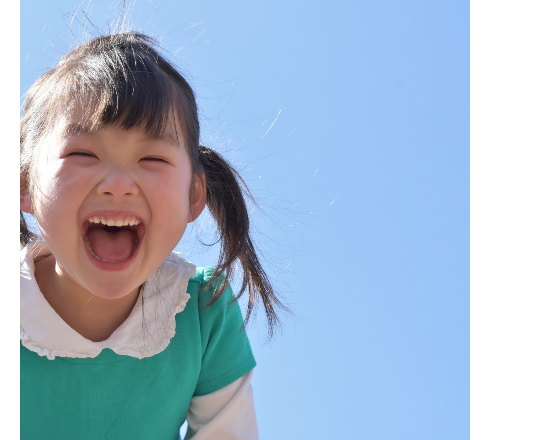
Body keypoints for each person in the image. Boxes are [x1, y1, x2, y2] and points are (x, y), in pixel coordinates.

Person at [20, 31, 285, 440]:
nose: (118, 184)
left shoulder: (203, 313)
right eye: (83, 154)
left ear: (194, 195)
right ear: (23, 183)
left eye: (153, 158)